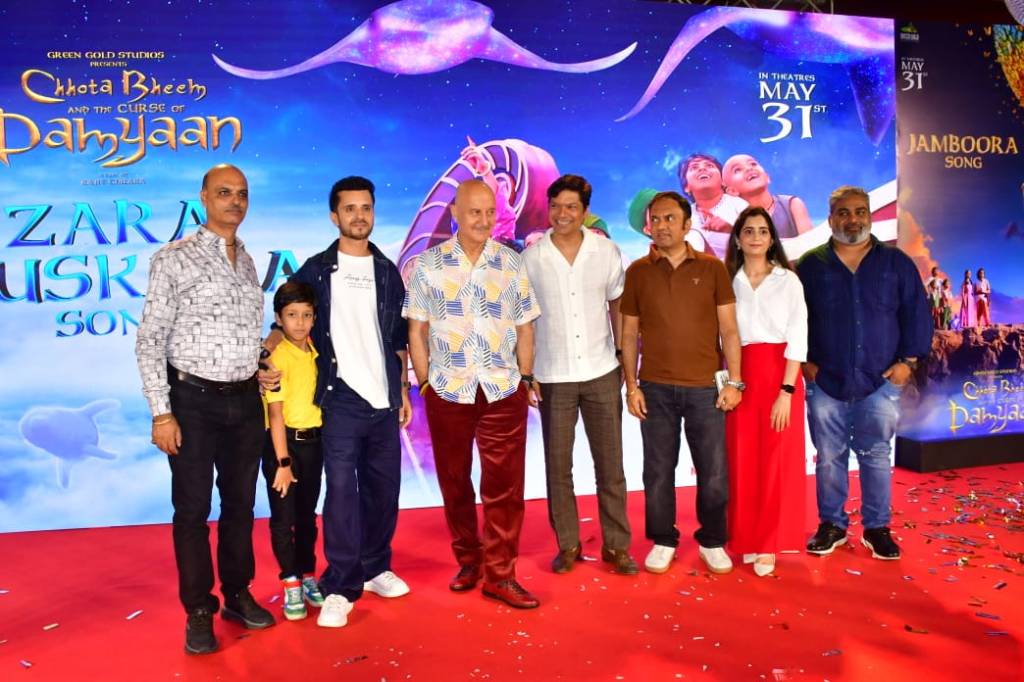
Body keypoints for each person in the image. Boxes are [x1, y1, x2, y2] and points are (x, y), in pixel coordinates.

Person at [136, 164, 274, 655]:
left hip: (245, 401)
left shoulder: (249, 261)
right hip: (191, 403)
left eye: (242, 194)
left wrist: (259, 364)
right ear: (203, 197)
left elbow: (240, 333)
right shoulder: (173, 258)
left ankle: (237, 594)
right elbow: (150, 339)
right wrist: (161, 412)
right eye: (224, 193)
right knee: (192, 510)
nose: (235, 202)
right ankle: (198, 609)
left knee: (240, 506)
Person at [265, 176, 412, 629]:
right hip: (340, 397)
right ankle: (341, 585)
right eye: (350, 208)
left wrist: (403, 389)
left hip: (384, 400)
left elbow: (398, 338)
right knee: (343, 494)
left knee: (384, 491)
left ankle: (375, 566)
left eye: (365, 207)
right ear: (335, 216)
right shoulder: (315, 270)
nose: (358, 215)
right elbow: (285, 316)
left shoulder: (387, 270)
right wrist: (266, 355)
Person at [404, 179, 542, 609]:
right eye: (474, 212)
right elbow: (416, 330)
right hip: (448, 391)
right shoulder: (429, 265)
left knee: (505, 488)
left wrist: (525, 377)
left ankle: (501, 575)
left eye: (489, 212)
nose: (483, 220)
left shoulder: (511, 262)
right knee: (455, 482)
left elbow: (525, 325)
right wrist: (425, 384)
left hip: (502, 390)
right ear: (456, 214)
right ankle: (469, 559)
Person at [797, 186, 932, 561]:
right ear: (831, 219)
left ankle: (877, 528)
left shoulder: (896, 263)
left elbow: (916, 314)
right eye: (844, 213)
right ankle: (832, 525)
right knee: (829, 457)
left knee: (875, 455)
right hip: (826, 381)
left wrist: (908, 363)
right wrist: (805, 363)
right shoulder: (810, 265)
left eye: (860, 212)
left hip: (880, 382)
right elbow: (795, 318)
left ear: (869, 216)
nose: (852, 219)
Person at [620, 191, 743, 576]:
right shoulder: (638, 272)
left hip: (706, 388)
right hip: (654, 388)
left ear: (688, 224)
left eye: (670, 218)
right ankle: (663, 539)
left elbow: (729, 330)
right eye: (655, 219)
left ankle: (712, 540)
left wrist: (735, 382)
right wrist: (631, 386)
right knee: (657, 470)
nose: (662, 226)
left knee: (714, 471)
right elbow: (628, 334)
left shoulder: (712, 268)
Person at [522, 174, 638, 576]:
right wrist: (527, 372)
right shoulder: (532, 257)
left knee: (611, 466)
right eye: (555, 206)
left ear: (585, 211)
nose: (562, 214)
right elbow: (524, 321)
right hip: (552, 374)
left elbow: (618, 305)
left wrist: (623, 357)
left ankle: (617, 546)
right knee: (558, 468)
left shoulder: (606, 251)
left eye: (571, 207)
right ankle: (568, 544)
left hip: (601, 370)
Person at [723, 207, 807, 577]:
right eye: (748, 231)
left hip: (780, 375)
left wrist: (786, 391)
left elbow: (799, 335)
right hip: (739, 376)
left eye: (762, 230)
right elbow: (721, 336)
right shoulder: (727, 281)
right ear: (738, 239)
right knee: (741, 459)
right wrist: (729, 381)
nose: (756, 237)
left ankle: (769, 542)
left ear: (772, 239)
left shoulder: (788, 281)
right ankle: (746, 538)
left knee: (775, 461)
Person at [259, 281, 325, 621]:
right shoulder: (275, 357)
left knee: (307, 516)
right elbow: (275, 415)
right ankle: (290, 582)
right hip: (282, 448)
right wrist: (283, 463)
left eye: (306, 315)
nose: (300, 322)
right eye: (292, 315)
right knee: (283, 519)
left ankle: (308, 573)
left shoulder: (315, 351)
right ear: (278, 318)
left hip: (314, 444)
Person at [722, 154, 813, 237]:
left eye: (753, 164)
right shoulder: (732, 221)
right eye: (737, 170)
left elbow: (809, 244)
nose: (749, 168)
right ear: (732, 191)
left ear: (767, 177)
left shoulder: (792, 204)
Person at [678, 153, 748, 257]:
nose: (702, 169)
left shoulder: (738, 204)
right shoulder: (684, 216)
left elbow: (759, 239)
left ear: (723, 181)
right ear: (686, 187)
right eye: (694, 167)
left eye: (709, 165)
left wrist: (730, 229)